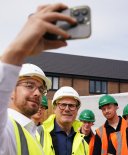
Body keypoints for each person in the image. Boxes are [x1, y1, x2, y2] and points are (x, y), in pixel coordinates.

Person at [0, 3, 77, 155]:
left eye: (41, 89)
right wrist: (16, 52)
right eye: (29, 85)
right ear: (11, 90)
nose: (37, 93)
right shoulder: (7, 129)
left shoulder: (32, 132)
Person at [36, 86, 89, 155]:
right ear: (54, 108)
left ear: (77, 110)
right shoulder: (38, 134)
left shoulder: (83, 144)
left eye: (71, 105)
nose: (67, 109)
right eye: (63, 105)